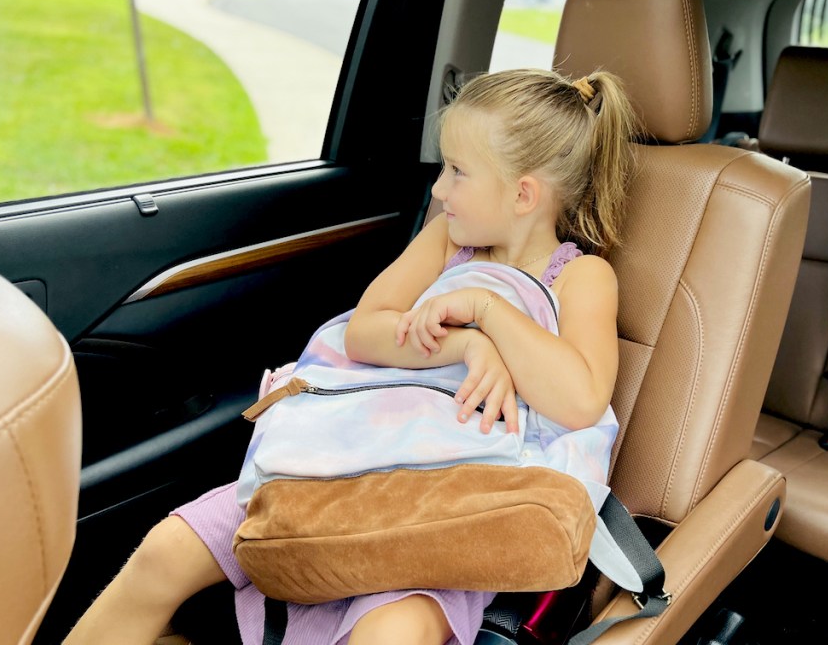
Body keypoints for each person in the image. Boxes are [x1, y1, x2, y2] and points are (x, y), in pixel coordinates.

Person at [64, 67, 637, 645]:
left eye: (457, 172)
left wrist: (489, 309)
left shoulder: (581, 278)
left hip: (442, 508)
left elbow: (582, 400)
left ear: (523, 194)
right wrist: (465, 342)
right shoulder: (448, 242)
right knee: (167, 549)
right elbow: (362, 332)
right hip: (340, 462)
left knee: (393, 631)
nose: (438, 190)